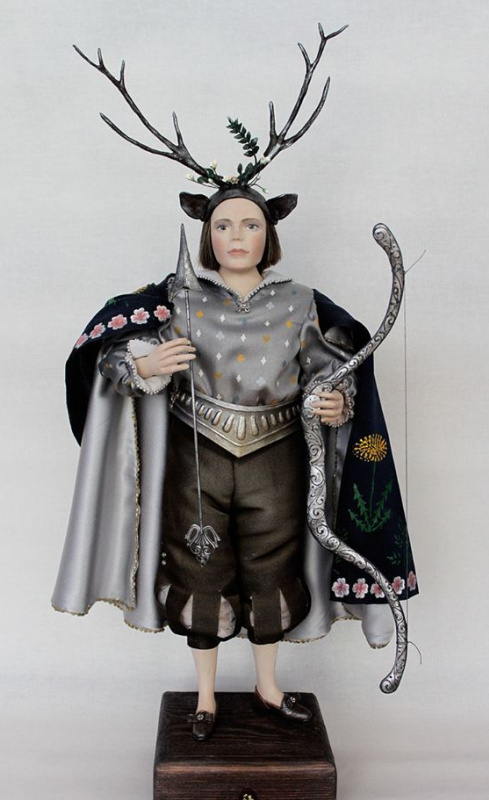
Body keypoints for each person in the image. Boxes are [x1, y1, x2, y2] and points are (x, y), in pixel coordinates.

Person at [53, 27, 418, 743]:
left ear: (269, 231)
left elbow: (334, 368)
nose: (237, 236)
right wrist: (143, 368)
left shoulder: (301, 302)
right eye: (224, 225)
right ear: (206, 233)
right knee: (200, 570)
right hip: (197, 456)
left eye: (250, 223)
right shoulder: (175, 299)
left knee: (272, 569)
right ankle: (205, 698)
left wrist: (336, 403)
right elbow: (111, 355)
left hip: (277, 457)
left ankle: (268, 687)